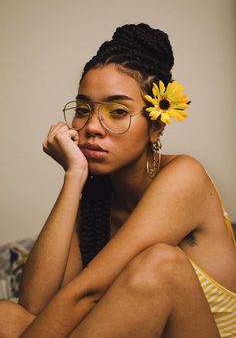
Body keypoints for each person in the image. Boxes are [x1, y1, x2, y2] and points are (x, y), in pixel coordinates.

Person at [0, 23, 235, 337]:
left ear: (156, 128)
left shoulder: (184, 177)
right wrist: (74, 177)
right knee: (7, 316)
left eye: (117, 111)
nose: (93, 126)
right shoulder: (98, 192)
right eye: (84, 109)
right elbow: (36, 303)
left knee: (162, 265)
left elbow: (89, 293)